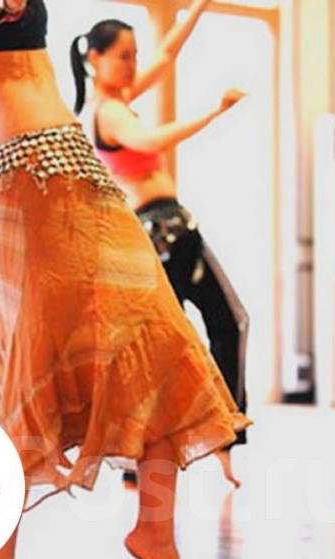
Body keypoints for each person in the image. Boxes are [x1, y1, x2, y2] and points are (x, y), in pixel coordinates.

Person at [0, 0, 250, 559]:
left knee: (66, 359)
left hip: (8, 175)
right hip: (44, 171)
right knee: (155, 334)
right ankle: (146, 531)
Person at [71, 5, 249, 488]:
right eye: (122, 56)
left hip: (162, 231)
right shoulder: (107, 112)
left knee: (177, 339)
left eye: (134, 55)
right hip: (163, 232)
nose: (132, 65)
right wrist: (215, 112)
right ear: (94, 59)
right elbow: (148, 140)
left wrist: (200, 6)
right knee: (216, 326)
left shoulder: (119, 99)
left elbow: (168, 53)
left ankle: (194, 445)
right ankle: (204, 440)